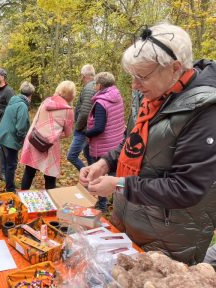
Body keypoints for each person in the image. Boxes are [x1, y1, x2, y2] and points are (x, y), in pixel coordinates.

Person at [79, 23, 216, 265]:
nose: (134, 85)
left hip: (169, 242)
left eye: (142, 77)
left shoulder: (206, 111)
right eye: (132, 76)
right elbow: (131, 143)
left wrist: (120, 185)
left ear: (175, 68)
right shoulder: (152, 97)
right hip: (130, 222)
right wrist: (105, 162)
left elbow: (187, 188)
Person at [20, 80, 75, 190]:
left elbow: (37, 120)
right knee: (50, 177)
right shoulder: (68, 111)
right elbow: (68, 133)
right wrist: (57, 134)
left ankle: (21, 199)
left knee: (29, 172)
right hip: (50, 146)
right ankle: (51, 204)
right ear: (71, 95)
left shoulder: (46, 102)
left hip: (35, 140)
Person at [86, 72, 125, 212]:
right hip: (116, 141)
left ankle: (101, 205)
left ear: (99, 85)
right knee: (115, 174)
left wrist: (86, 133)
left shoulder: (101, 102)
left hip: (103, 145)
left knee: (99, 176)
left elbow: (98, 128)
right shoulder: (117, 97)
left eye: (95, 84)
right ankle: (117, 204)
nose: (94, 86)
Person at [0, 81, 35, 192]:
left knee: (7, 163)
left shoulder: (13, 101)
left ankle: (9, 185)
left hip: (3, 136)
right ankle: (10, 189)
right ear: (30, 95)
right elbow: (21, 126)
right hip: (10, 139)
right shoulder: (22, 106)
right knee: (11, 165)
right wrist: (22, 139)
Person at [67, 64, 95, 170]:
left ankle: (88, 176)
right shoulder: (93, 86)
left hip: (83, 129)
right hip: (89, 129)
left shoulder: (89, 87)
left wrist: (78, 126)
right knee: (89, 155)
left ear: (83, 75)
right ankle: (94, 180)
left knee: (72, 156)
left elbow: (85, 113)